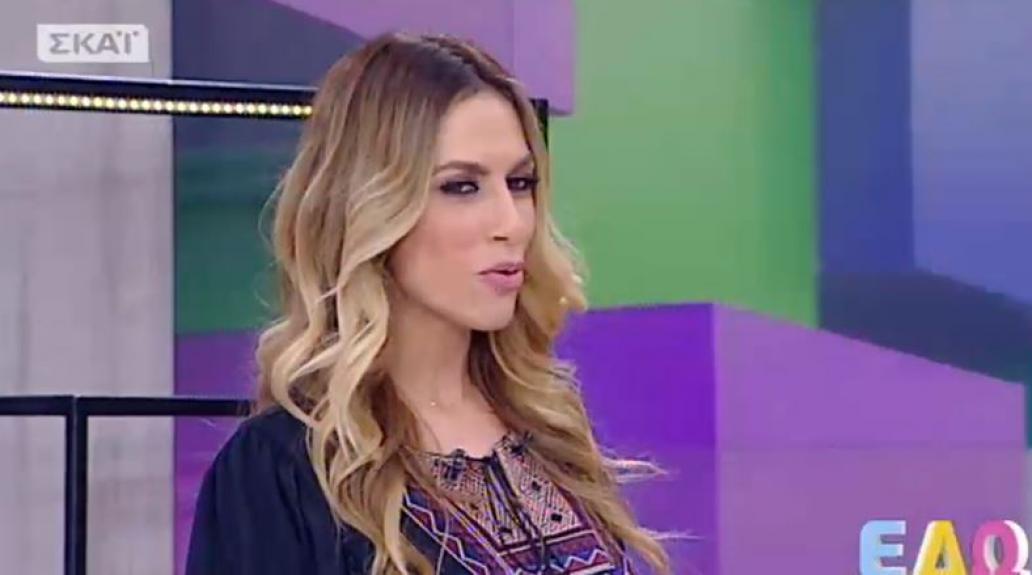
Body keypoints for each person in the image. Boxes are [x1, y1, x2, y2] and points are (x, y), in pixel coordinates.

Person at [184, 31, 670, 575]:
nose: (511, 223)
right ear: (370, 204)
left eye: (520, 183)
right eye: (461, 187)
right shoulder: (283, 471)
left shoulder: (550, 433)